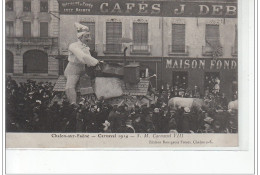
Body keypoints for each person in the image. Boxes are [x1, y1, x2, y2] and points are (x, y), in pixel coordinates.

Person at [64, 22, 99, 104]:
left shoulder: (86, 48)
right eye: (87, 36)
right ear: (80, 37)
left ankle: (87, 103)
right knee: (70, 86)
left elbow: (88, 61)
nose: (89, 39)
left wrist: (96, 63)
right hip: (72, 69)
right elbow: (82, 57)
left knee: (88, 86)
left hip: (83, 69)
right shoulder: (73, 46)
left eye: (89, 36)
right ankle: (73, 104)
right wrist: (96, 62)